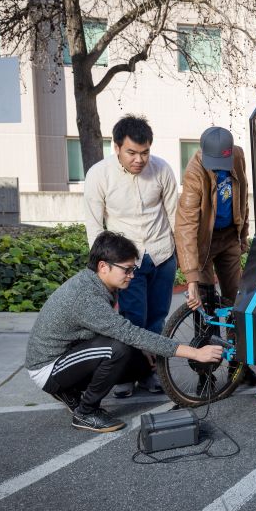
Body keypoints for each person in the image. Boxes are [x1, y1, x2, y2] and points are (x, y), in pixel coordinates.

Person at [24, 231, 222, 433]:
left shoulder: (97, 282)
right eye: (127, 270)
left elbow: (120, 330)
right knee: (117, 350)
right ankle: (86, 413)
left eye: (133, 269)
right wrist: (195, 353)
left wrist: (143, 350)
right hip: (48, 368)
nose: (132, 275)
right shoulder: (86, 297)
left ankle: (68, 390)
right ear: (103, 266)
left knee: (142, 363)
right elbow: (129, 334)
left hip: (67, 356)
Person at [84, 115, 178, 398]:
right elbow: (93, 224)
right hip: (126, 262)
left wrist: (185, 257)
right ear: (116, 147)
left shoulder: (162, 170)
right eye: (132, 153)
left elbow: (175, 215)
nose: (140, 159)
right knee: (131, 319)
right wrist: (101, 269)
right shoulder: (99, 174)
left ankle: (151, 373)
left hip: (162, 254)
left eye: (145, 152)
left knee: (157, 319)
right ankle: (127, 373)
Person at [175, 126, 256, 390]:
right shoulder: (194, 172)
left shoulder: (237, 156)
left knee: (237, 301)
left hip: (228, 238)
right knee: (205, 308)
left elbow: (243, 196)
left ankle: (240, 366)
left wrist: (243, 234)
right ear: (202, 152)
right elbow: (186, 224)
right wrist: (191, 278)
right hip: (203, 243)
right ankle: (205, 374)